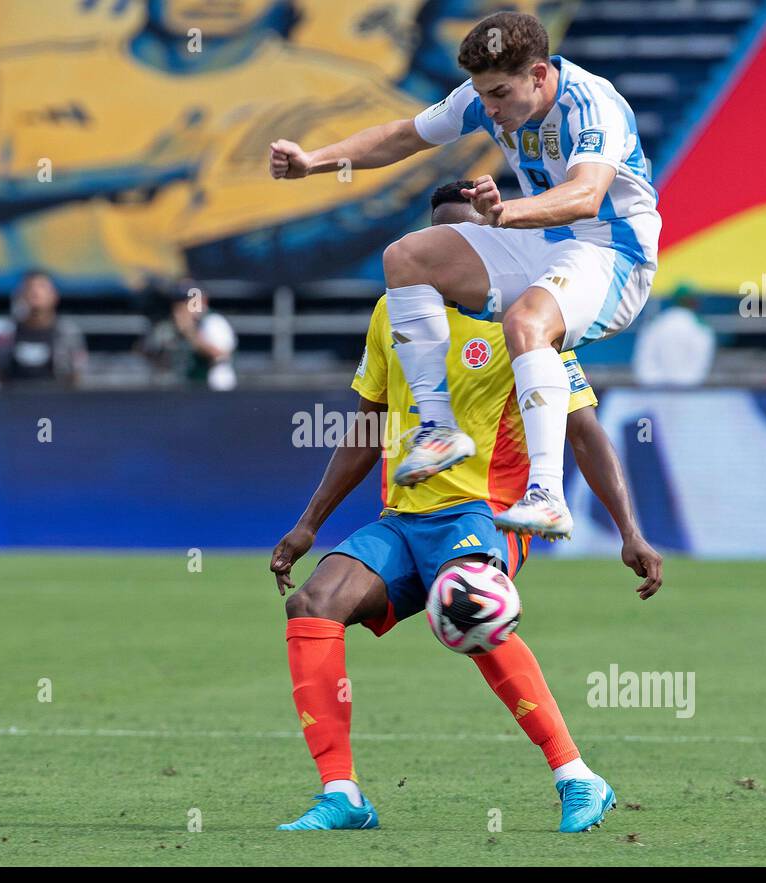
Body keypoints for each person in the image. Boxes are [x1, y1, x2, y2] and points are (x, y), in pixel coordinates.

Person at [268, 183, 663, 833]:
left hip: (485, 513)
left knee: (465, 603)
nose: (454, 257)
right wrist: (308, 523)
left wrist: (630, 532)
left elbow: (585, 430)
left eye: (472, 240)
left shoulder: (531, 318)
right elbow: (369, 428)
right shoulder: (392, 315)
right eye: (443, 242)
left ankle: (576, 777)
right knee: (312, 604)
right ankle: (343, 795)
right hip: (404, 517)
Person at [270, 10, 660, 542]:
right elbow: (402, 137)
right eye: (483, 95)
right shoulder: (484, 100)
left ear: (539, 75)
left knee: (526, 322)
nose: (490, 109)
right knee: (406, 258)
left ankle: (547, 495)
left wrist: (508, 214)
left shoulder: (592, 104)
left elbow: (587, 196)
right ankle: (438, 431)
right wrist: (313, 160)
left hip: (613, 251)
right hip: (543, 243)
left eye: (499, 93)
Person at [0, 271, 87, 388]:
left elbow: (76, 376)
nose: (35, 292)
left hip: (57, 402)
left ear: (54, 295)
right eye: (30, 288)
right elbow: (0, 374)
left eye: (42, 287)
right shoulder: (7, 333)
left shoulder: (67, 333)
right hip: (15, 402)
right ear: (21, 295)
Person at [632, 283, 715, 386]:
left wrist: (653, 384)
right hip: (688, 391)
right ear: (695, 301)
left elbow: (644, 360)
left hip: (655, 391)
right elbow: (701, 364)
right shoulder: (700, 328)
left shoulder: (656, 323)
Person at [170, 283, 237, 391]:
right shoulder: (177, 326)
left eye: (187, 301)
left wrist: (189, 331)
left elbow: (221, 354)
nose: (182, 306)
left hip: (214, 385)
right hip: (190, 385)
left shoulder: (213, 320)